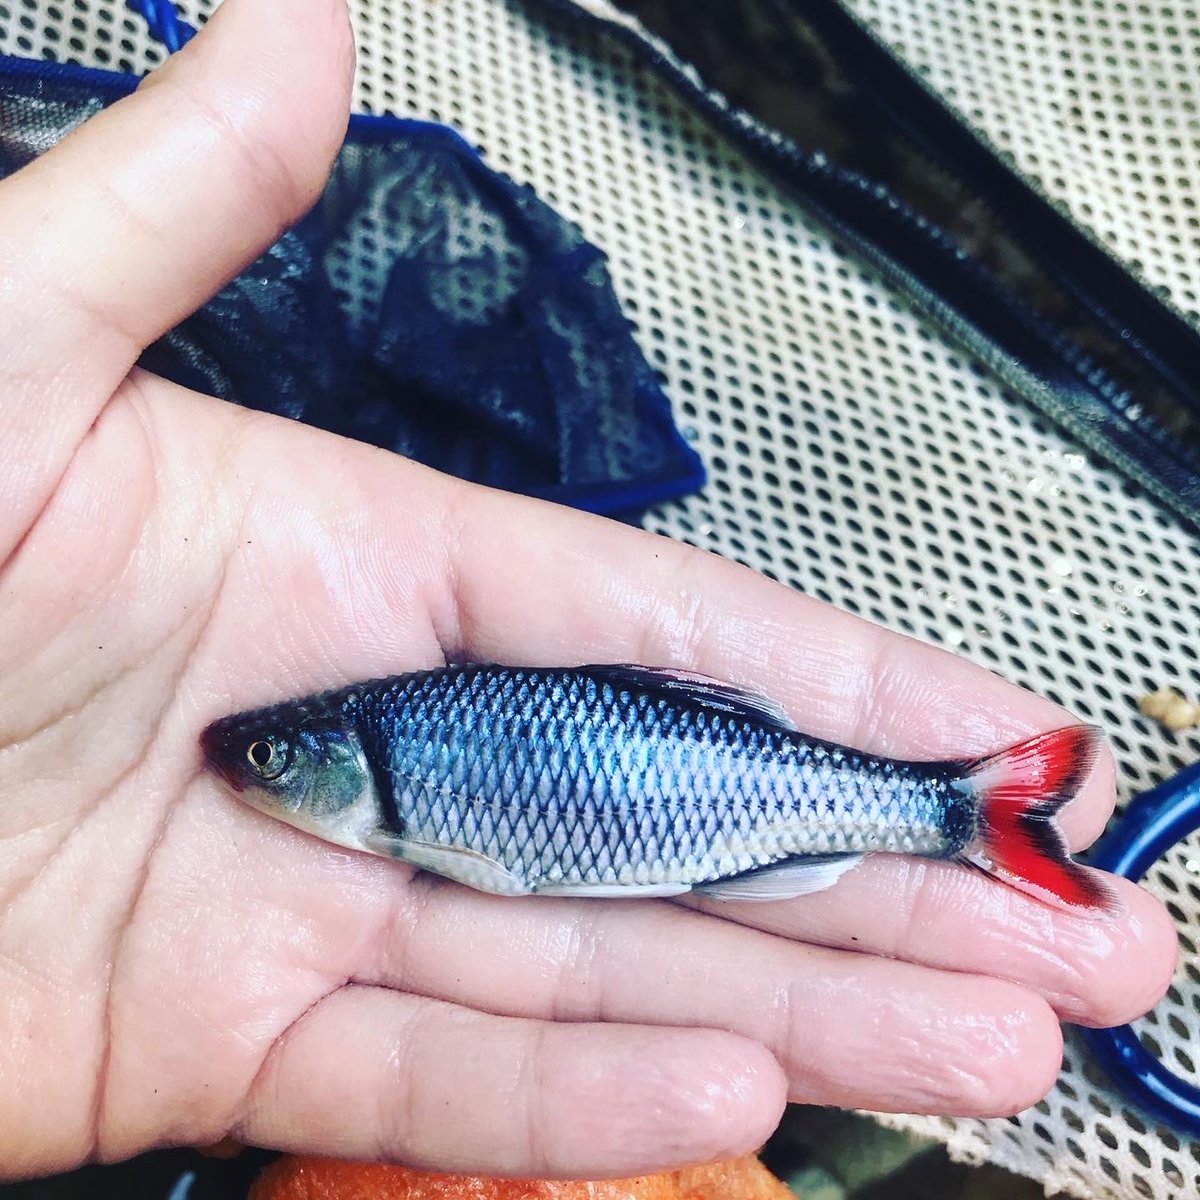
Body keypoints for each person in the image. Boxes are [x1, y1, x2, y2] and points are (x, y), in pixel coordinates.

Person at [0, 0, 1176, 1183]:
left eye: (266, 764)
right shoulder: (388, 757)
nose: (252, 772)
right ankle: (960, 811)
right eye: (267, 762)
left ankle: (956, 808)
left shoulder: (394, 751)